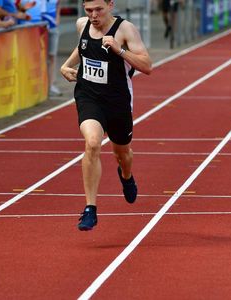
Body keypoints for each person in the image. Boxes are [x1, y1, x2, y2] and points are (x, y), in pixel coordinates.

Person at [60, 0, 152, 231]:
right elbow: (82, 46)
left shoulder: (125, 29)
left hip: (118, 101)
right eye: (89, 10)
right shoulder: (82, 24)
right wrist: (66, 65)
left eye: (98, 9)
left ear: (110, 5)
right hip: (89, 97)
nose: (93, 15)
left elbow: (147, 65)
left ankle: (127, 175)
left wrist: (119, 50)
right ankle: (90, 208)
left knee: (123, 153)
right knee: (92, 143)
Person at [21, 0, 62, 96]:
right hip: (39, 28)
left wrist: (57, 19)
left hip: (52, 28)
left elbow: (58, 5)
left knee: (52, 57)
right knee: (38, 57)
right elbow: (39, 12)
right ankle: (37, 86)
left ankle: (50, 85)